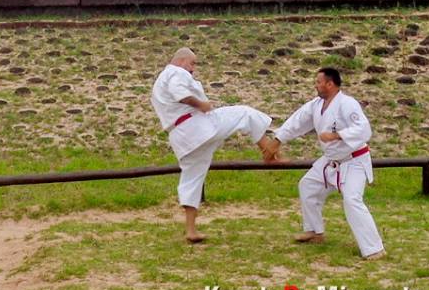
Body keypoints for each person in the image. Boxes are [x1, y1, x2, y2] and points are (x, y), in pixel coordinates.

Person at [151, 47, 280, 242]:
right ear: (181, 60)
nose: (194, 68)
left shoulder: (160, 81)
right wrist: (200, 104)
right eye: (192, 63)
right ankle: (268, 151)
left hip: (182, 137)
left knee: (191, 179)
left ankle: (191, 230)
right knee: (244, 113)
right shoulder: (176, 72)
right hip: (198, 126)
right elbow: (181, 93)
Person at [270, 67, 385, 260]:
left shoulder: (347, 104)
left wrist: (336, 134)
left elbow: (364, 130)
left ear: (330, 84)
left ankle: (374, 249)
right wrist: (277, 140)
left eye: (318, 82)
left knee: (352, 200)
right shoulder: (317, 105)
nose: (316, 85)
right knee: (308, 186)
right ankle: (315, 232)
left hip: (354, 159)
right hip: (332, 160)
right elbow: (297, 121)